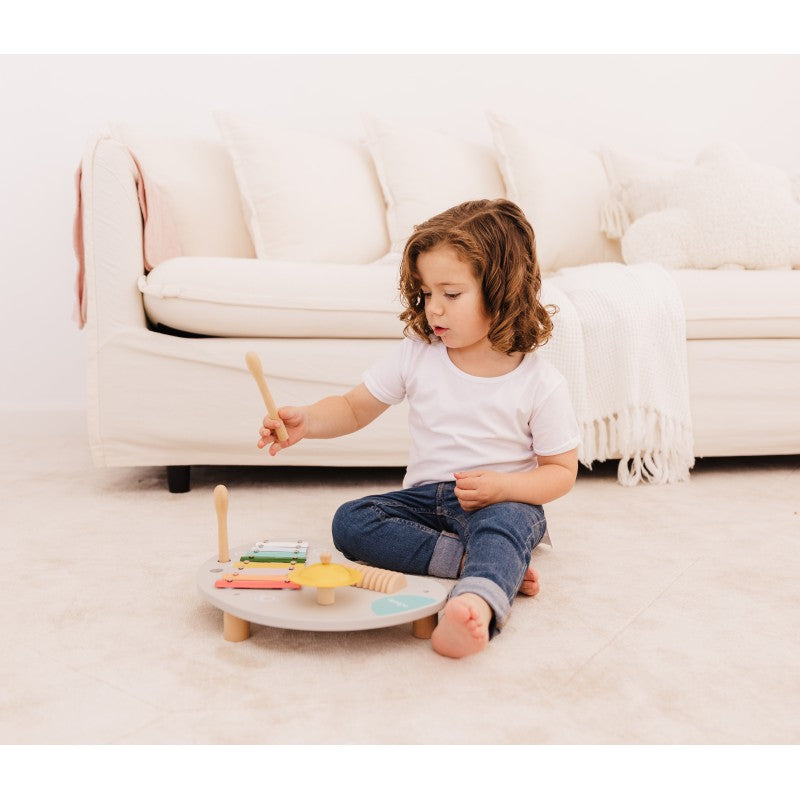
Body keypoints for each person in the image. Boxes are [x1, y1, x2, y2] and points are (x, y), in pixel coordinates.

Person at [257, 199, 580, 658]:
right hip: (426, 500)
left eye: (451, 294)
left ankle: (475, 604)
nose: (434, 310)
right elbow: (353, 408)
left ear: (501, 289)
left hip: (502, 501)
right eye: (427, 294)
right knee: (351, 522)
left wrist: (502, 487)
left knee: (506, 525)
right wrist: (307, 420)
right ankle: (483, 565)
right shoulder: (418, 354)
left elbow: (560, 472)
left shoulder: (539, 382)